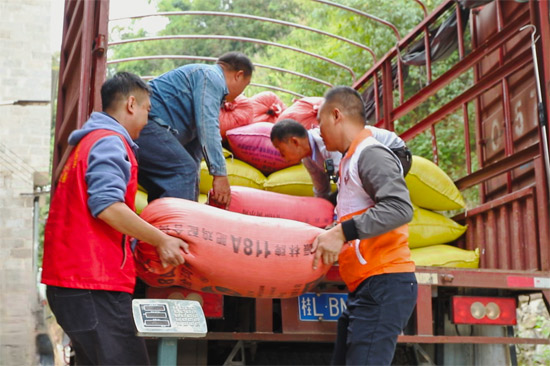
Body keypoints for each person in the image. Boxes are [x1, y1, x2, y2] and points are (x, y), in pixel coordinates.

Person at [42, 72, 189, 366]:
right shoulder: (110, 142)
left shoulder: (88, 143)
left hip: (79, 282)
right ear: (131, 104)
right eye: (148, 110)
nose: (148, 120)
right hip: (91, 283)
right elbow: (107, 205)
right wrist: (161, 239)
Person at [311, 86, 418, 366]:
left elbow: (400, 208)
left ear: (337, 115)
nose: (317, 130)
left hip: (384, 283)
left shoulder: (371, 154)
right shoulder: (348, 161)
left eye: (319, 121)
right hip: (366, 285)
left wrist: (343, 233)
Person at [135, 52, 254, 206]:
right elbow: (208, 125)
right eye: (245, 86)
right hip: (144, 124)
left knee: (178, 176)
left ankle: (165, 226)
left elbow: (194, 152)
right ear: (239, 75)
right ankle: (178, 228)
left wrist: (194, 200)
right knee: (184, 170)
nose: (240, 94)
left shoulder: (207, 85)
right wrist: (220, 175)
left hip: (151, 129)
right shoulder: (212, 77)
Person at [270, 119, 411, 202]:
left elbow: (347, 182)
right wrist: (320, 208)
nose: (281, 156)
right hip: (365, 165)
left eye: (281, 151)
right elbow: (321, 188)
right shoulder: (308, 159)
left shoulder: (327, 141)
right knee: (332, 202)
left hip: (394, 154)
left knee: (362, 198)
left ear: (294, 142)